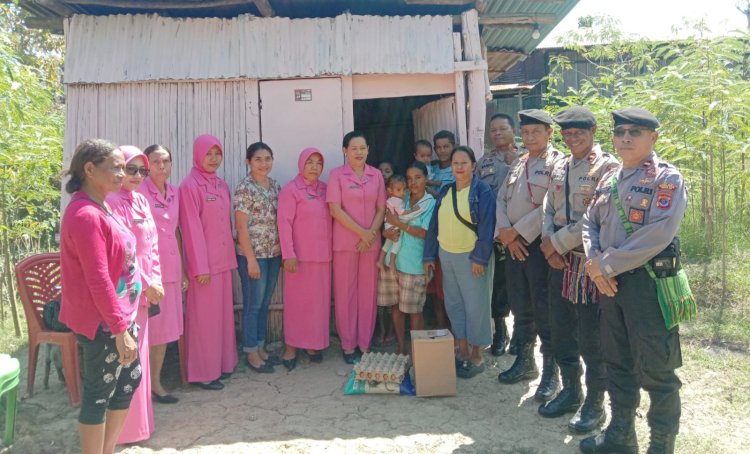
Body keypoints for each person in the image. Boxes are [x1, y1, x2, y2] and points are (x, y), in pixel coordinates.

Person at [580, 108, 687, 454]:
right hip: (609, 285)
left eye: (635, 132)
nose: (625, 138)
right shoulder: (610, 177)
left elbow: (658, 234)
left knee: (658, 371)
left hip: (648, 285)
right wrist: (594, 261)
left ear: (653, 138)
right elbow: (589, 221)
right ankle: (620, 437)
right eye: (620, 131)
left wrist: (604, 266)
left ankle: (660, 446)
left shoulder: (666, 179)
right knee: (617, 362)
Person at [536, 107, 619, 435]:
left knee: (590, 336)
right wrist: (547, 240)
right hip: (558, 260)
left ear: (593, 130)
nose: (573, 139)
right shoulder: (560, 164)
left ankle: (595, 403)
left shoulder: (607, 167)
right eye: (568, 134)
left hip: (586, 263)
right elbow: (548, 206)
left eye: (579, 133)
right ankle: (571, 390)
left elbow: (596, 216)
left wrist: (555, 241)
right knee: (560, 328)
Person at [60, 139, 142, 454]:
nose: (123, 173)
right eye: (116, 167)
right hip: (103, 323)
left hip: (121, 316)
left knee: (126, 385)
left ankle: (107, 450)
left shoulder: (103, 205)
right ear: (90, 169)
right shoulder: (84, 215)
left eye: (125, 167)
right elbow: (98, 278)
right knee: (99, 393)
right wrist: (120, 330)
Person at [495, 109, 565, 401]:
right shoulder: (519, 163)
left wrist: (519, 232)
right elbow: (501, 198)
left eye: (536, 131)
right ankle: (525, 362)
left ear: (550, 133)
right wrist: (505, 232)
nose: (530, 137)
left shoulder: (559, 164)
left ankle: (552, 372)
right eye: (525, 132)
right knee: (521, 305)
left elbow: (550, 205)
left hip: (537, 247)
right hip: (513, 245)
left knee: (543, 308)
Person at [107, 146, 164, 444]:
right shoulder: (111, 202)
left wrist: (156, 279)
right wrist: (144, 281)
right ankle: (124, 432)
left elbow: (152, 245)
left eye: (143, 171)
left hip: (146, 291)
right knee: (126, 358)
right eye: (132, 169)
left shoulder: (141, 200)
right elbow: (121, 254)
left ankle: (142, 425)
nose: (138, 176)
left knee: (140, 354)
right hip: (124, 291)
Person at [424, 146, 496, 379]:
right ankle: (462, 350)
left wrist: (480, 258)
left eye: (464, 163)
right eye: (455, 163)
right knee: (454, 305)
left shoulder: (482, 192)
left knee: (476, 306)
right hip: (447, 256)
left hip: (471, 257)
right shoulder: (446, 191)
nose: (459, 167)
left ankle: (477, 355)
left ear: (473, 165)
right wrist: (429, 256)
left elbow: (487, 227)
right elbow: (434, 225)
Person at [179, 134, 238, 390]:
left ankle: (222, 366)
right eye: (208, 154)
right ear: (197, 155)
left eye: (218, 154)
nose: (213, 159)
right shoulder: (189, 186)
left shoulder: (221, 185)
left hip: (223, 262)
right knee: (204, 322)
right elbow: (190, 229)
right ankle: (204, 373)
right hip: (205, 268)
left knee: (221, 319)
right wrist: (200, 267)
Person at [327, 130, 386, 364]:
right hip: (345, 243)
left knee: (368, 294)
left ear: (368, 150)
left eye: (362, 148)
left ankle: (365, 344)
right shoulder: (336, 175)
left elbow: (381, 208)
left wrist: (370, 234)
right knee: (345, 295)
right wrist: (363, 233)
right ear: (345, 151)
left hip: (370, 244)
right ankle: (348, 345)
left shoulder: (377, 175)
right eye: (354, 148)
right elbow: (335, 209)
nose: (358, 152)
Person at [139, 144, 187, 404]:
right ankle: (140, 386)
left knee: (165, 330)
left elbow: (177, 231)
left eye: (166, 161)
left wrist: (183, 272)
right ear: (147, 165)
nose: (161, 166)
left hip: (171, 266)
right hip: (148, 272)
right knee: (148, 329)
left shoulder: (175, 192)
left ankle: (155, 382)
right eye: (155, 161)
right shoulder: (139, 193)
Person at [277, 148, 332, 367]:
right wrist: (288, 254)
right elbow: (284, 223)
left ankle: (312, 344)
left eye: (318, 163)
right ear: (301, 164)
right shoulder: (291, 190)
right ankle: (291, 348)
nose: (314, 167)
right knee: (297, 305)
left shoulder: (325, 190)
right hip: (298, 259)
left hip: (322, 257)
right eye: (310, 162)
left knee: (317, 305)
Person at [234, 142, 283, 373]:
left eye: (267, 158)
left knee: (264, 303)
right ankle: (251, 351)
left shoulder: (275, 186)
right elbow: (241, 227)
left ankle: (261, 347)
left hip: (273, 253)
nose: (264, 164)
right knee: (253, 304)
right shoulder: (244, 188)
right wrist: (251, 260)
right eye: (258, 159)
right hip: (253, 256)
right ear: (248, 162)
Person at [475, 113, 520, 356]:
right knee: (499, 284)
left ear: (513, 130)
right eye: (493, 130)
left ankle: (523, 338)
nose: (497, 133)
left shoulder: (527, 158)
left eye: (503, 128)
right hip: (494, 235)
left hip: (523, 235)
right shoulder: (483, 162)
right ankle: (500, 331)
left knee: (521, 287)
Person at [381, 161, 436, 355]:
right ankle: (401, 348)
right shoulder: (401, 196)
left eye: (418, 178)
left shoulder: (429, 203)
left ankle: (416, 352)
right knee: (396, 306)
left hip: (414, 264)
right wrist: (386, 232)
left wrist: (400, 224)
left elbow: (423, 233)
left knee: (414, 310)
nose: (412, 183)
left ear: (426, 179)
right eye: (409, 178)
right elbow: (388, 219)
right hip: (392, 262)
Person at [379, 174, 428, 270]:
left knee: (388, 243)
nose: (403, 193)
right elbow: (402, 213)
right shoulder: (397, 201)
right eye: (399, 190)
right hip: (393, 225)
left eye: (404, 189)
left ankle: (380, 261)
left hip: (388, 225)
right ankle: (392, 262)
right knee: (397, 242)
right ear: (390, 190)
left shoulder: (391, 200)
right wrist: (413, 210)